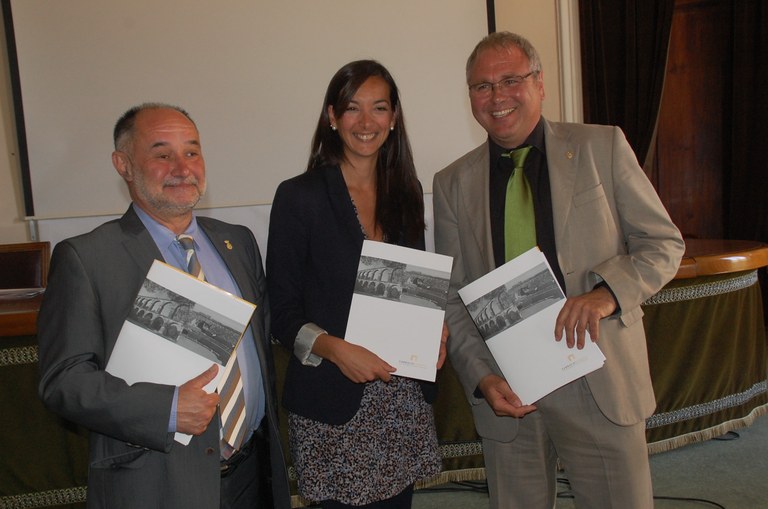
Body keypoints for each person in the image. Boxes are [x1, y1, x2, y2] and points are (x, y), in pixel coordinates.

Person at [432, 32, 685, 508]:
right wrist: (482, 378)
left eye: (511, 80)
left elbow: (663, 244)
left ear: (540, 83)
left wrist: (606, 294)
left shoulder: (601, 147)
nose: (497, 97)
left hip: (597, 375)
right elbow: (453, 295)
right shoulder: (451, 184)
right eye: (482, 86)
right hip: (508, 392)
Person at [37, 103, 290, 509]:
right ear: (123, 165)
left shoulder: (238, 242)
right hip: (157, 483)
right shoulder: (87, 258)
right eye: (162, 154)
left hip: (252, 476)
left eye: (191, 151)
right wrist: (167, 409)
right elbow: (63, 381)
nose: (182, 167)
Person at [267, 60, 445, 509]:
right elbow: (281, 312)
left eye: (379, 108)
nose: (366, 122)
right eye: (352, 108)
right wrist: (335, 349)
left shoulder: (406, 189)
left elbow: (414, 290)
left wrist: (435, 332)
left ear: (394, 117)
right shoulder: (299, 196)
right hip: (333, 404)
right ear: (332, 116)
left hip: (400, 398)